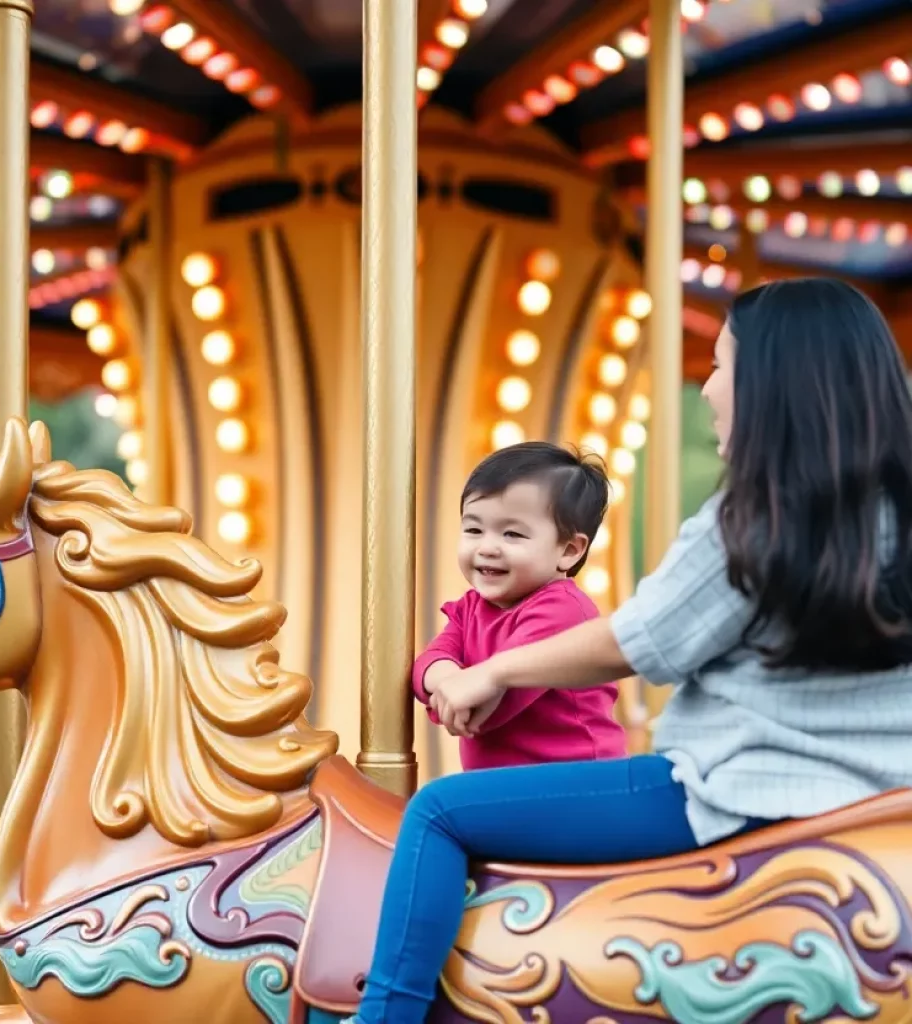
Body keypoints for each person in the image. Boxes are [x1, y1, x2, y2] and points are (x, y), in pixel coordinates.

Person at [345, 278, 912, 1024]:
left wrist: (495, 667)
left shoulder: (757, 520)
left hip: (729, 792)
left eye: (721, 365)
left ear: (774, 383)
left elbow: (642, 640)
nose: (708, 390)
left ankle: (386, 1014)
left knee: (440, 812)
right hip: (878, 795)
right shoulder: (894, 515)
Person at [414, 441, 625, 769]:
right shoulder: (471, 608)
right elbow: (428, 662)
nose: (487, 547)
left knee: (433, 807)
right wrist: (451, 682)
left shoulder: (562, 611)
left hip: (574, 779)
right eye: (473, 529)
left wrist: (456, 688)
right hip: (512, 786)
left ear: (569, 550)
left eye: (512, 534)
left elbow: (489, 710)